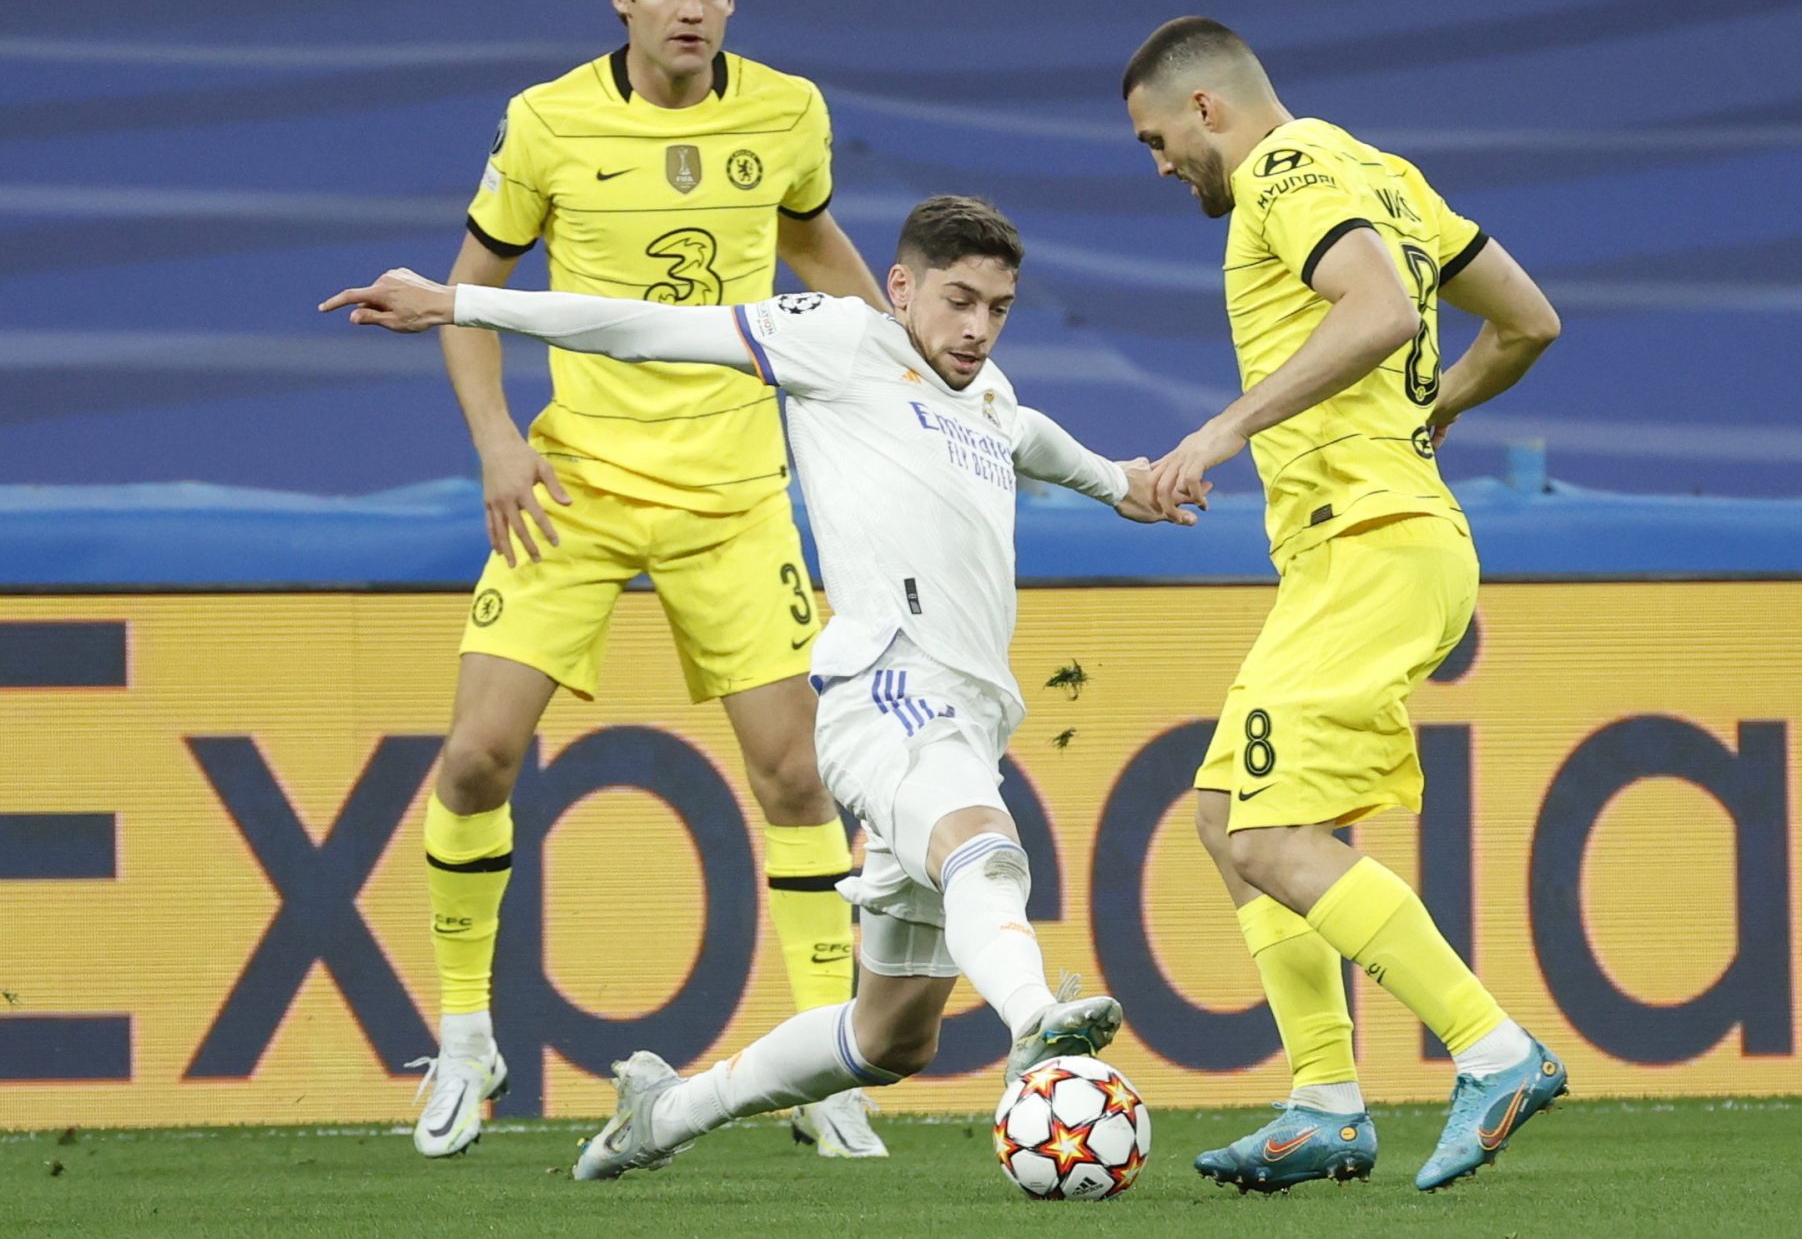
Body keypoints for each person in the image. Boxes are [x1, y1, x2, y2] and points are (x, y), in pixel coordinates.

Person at [323, 195, 1196, 1183]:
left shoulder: (985, 393)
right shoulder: (838, 341)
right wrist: (460, 303)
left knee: (889, 1038)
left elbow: (1023, 433)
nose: (977, 328)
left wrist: (1119, 482)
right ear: (900, 286)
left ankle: (666, 1112)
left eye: (997, 308)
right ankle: (1036, 1019)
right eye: (958, 300)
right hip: (887, 688)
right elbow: (640, 327)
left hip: (969, 714)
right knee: (987, 849)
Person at [411, 0, 891, 1160]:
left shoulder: (787, 113)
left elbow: (812, 246)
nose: (692, 10)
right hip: (575, 486)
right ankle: (466, 1036)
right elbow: (469, 295)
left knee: (795, 776)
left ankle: (819, 1066)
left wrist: (908, 370)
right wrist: (499, 443)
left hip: (733, 494)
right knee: (475, 757)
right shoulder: (547, 123)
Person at [1122, 16, 1566, 1193]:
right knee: (1224, 811)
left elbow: (1378, 310)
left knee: (1269, 835)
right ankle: (1322, 1099)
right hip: (1371, 542)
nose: (1159, 166)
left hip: (1369, 542)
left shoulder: (1281, 167)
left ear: (1206, 107)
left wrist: (1218, 432)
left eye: (1156, 140)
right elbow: (1526, 320)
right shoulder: (1383, 172)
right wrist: (1437, 410)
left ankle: (1493, 1050)